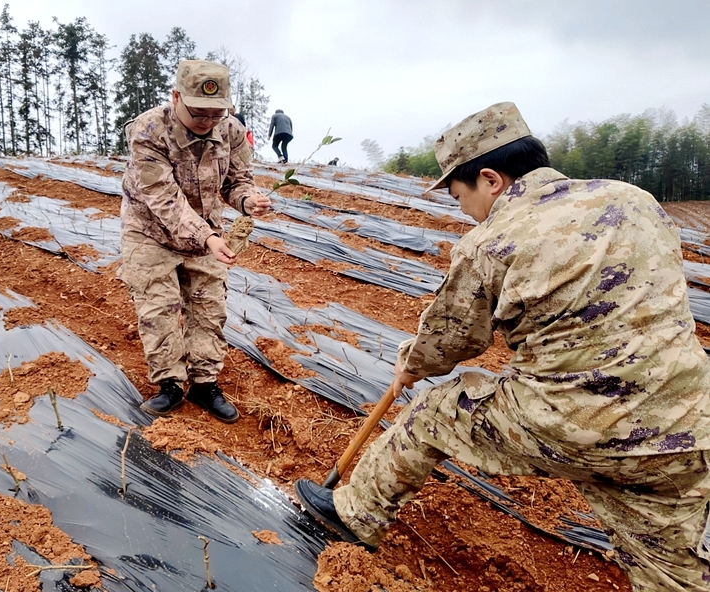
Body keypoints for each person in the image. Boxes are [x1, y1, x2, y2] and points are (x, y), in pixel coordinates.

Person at [294, 102, 710, 591]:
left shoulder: (492, 240)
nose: (463, 211)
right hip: (686, 424)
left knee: (435, 410)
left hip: (572, 422)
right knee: (670, 565)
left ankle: (353, 514)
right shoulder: (635, 200)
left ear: (490, 179)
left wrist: (413, 366)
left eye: (457, 196)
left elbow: (452, 338)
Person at [118, 60, 271, 423]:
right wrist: (209, 236)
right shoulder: (149, 130)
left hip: (207, 232)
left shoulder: (231, 131)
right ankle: (170, 384)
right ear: (176, 98)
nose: (207, 121)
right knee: (159, 308)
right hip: (150, 232)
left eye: (216, 114)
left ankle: (204, 384)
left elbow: (237, 181)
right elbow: (163, 198)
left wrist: (248, 200)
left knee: (208, 306)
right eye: (199, 113)